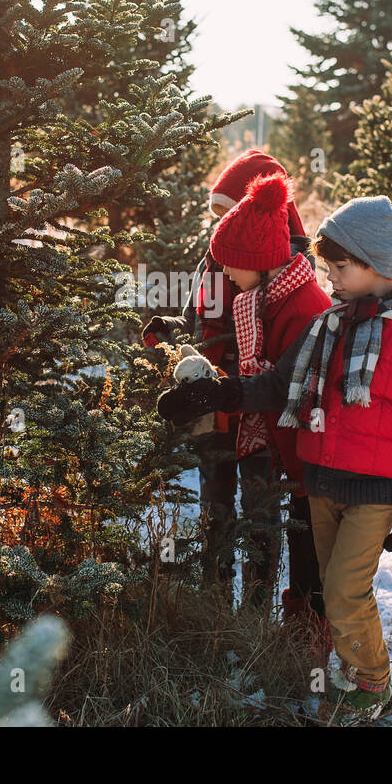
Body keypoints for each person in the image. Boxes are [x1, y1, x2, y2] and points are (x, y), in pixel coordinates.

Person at [156, 194, 392, 712]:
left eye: (340, 268)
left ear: (377, 265)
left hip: (375, 488)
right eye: (327, 268)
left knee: (344, 588)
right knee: (331, 587)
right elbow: (277, 384)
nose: (331, 279)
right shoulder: (328, 326)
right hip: (320, 481)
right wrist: (219, 394)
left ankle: (372, 681)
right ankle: (346, 670)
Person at [142, 150, 324, 622]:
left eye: (225, 212)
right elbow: (195, 314)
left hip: (255, 406)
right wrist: (173, 328)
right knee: (214, 497)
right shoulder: (216, 257)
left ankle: (256, 604)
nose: (219, 222)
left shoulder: (280, 266)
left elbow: (284, 364)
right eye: (218, 215)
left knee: (260, 505)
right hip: (212, 397)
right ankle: (214, 592)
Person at [201, 173, 331, 611]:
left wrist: (220, 394)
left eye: (231, 263)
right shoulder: (264, 298)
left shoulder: (303, 307)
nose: (225, 272)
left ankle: (305, 646)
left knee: (310, 558)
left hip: (312, 458)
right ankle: (286, 632)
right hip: (294, 454)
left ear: (259, 261)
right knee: (298, 546)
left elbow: (281, 387)